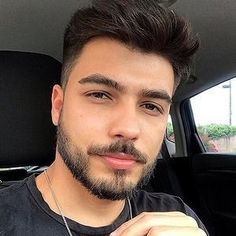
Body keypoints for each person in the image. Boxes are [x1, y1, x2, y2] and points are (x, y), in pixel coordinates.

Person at [0, 0, 208, 235]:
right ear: (58, 106)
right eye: (100, 95)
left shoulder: (177, 218)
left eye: (151, 106)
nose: (128, 128)